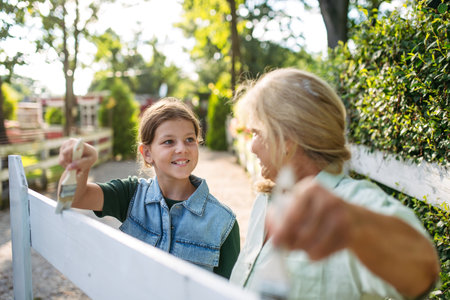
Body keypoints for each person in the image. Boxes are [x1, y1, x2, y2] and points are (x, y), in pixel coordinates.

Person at [229, 68, 440, 299]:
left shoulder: (352, 203)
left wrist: (354, 223)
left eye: (258, 133)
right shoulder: (266, 198)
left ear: (287, 138)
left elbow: (422, 271)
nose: (252, 147)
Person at [58, 97, 240, 279]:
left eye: (189, 139)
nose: (182, 148)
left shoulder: (223, 223)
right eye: (169, 141)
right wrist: (79, 166)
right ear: (147, 153)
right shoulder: (130, 195)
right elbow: (74, 197)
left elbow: (233, 291)